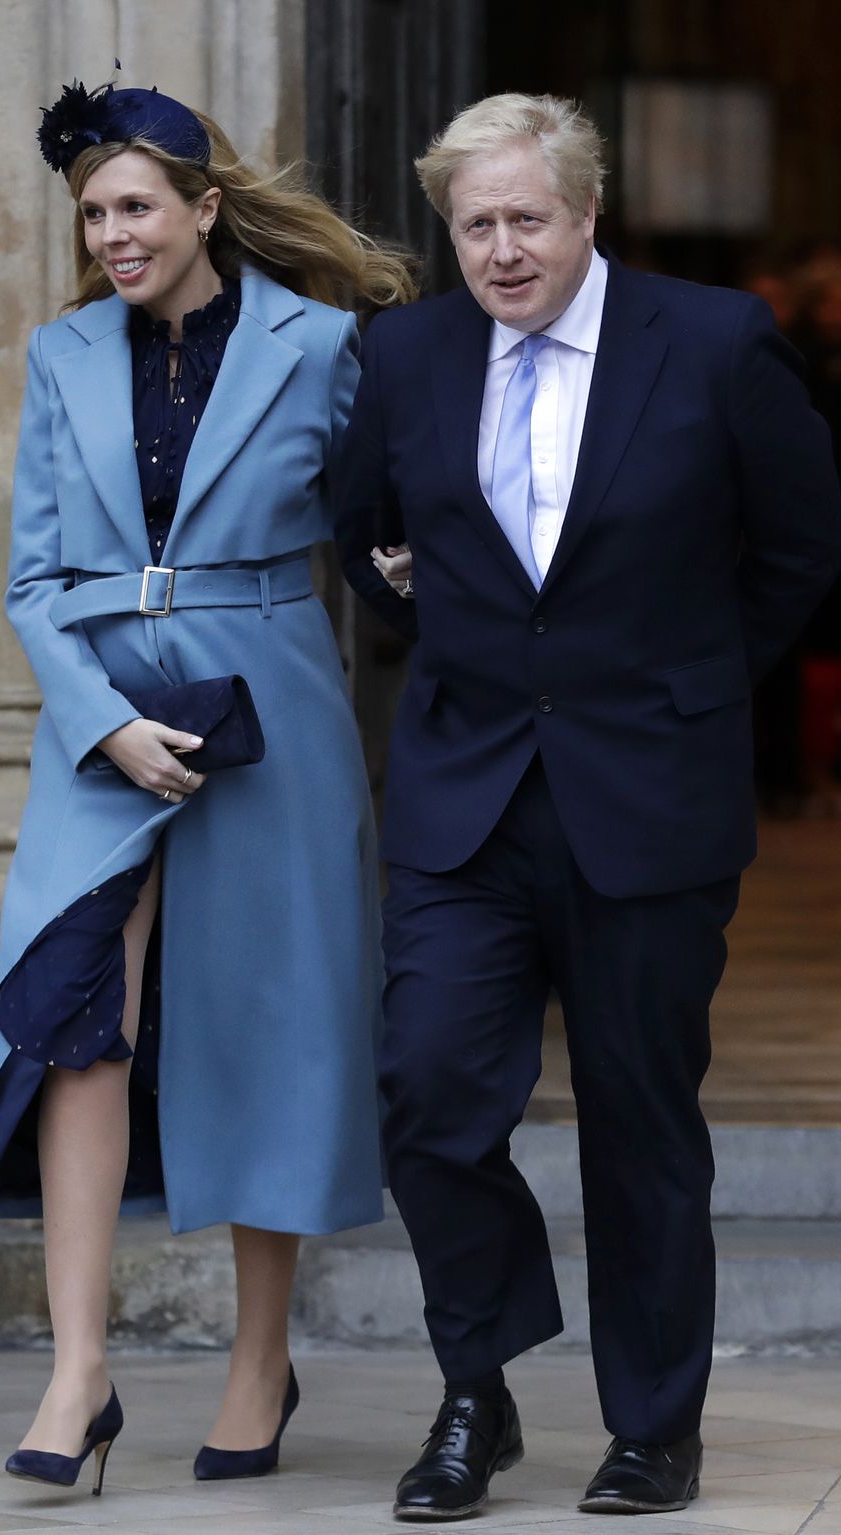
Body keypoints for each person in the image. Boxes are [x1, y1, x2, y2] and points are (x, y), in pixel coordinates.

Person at [335, 92, 841, 1521]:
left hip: (648, 792)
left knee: (640, 1120)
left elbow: (801, 544)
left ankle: (653, 1428)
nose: (500, 250)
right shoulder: (410, 349)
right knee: (429, 1090)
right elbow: (360, 527)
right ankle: (478, 1392)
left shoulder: (718, 341)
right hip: (465, 792)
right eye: (475, 225)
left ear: (586, 212)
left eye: (525, 220)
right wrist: (430, 615)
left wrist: (688, 679)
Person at [0, 76, 415, 1495]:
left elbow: (379, 528)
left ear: (205, 208)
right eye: (93, 213)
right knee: (81, 1016)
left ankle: (261, 1362)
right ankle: (79, 1370)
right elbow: (32, 581)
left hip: (274, 709)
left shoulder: (326, 347)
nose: (112, 233)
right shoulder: (58, 354)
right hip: (102, 723)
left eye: (136, 206)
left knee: (272, 1022)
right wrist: (100, 723)